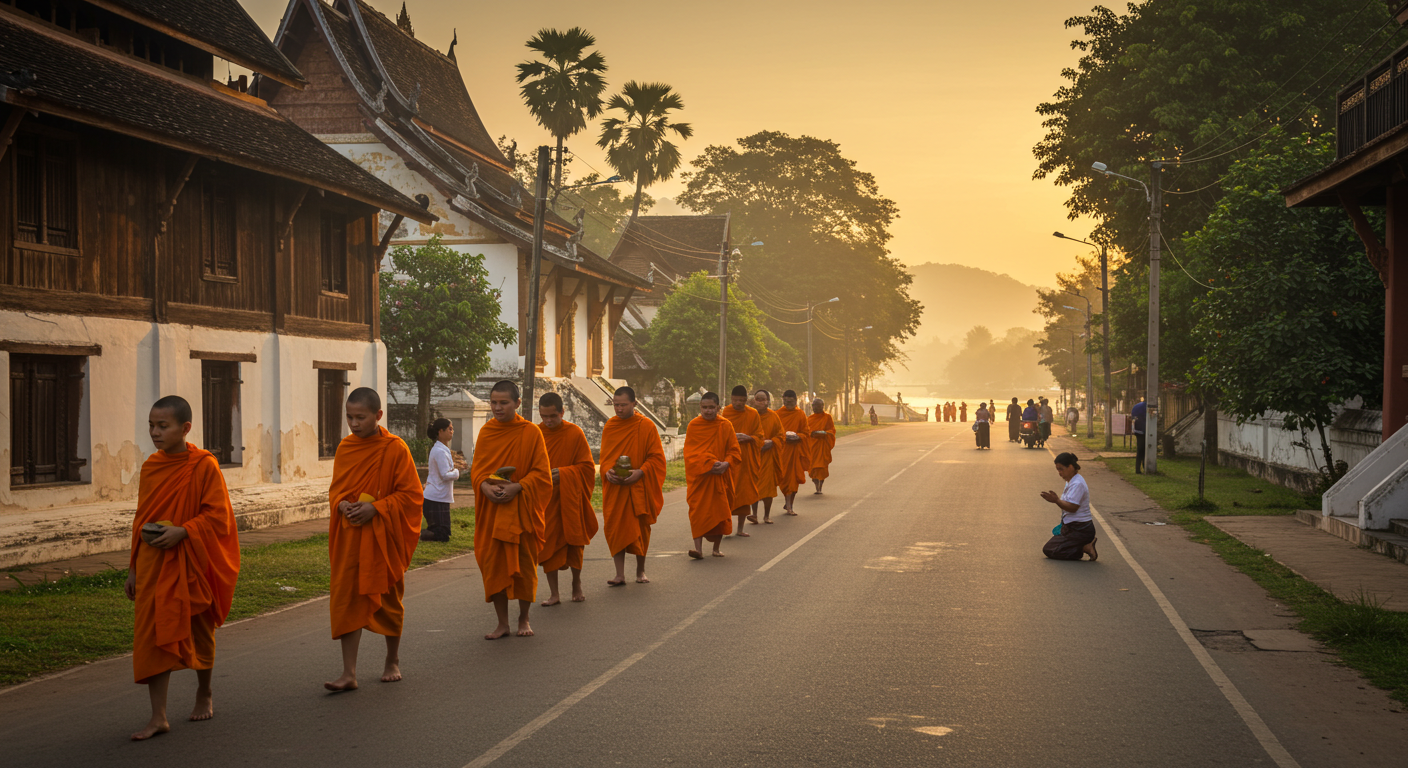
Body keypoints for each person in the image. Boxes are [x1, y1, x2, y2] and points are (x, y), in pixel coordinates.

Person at [126, 396, 240, 741]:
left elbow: (218, 516)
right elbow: (141, 519)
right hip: (153, 560)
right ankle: (158, 716)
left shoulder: (204, 466)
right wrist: (132, 568)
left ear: (185, 428)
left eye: (163, 426)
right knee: (153, 634)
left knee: (200, 629)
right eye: (151, 425)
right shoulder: (151, 467)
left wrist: (184, 531)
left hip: (192, 559)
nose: (155, 433)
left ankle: (204, 690)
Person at [324, 388, 424, 690]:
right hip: (351, 534)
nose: (354, 424)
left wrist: (376, 509)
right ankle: (348, 673)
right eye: (349, 417)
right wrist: (342, 504)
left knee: (389, 598)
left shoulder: (395, 449)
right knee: (347, 599)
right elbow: (336, 490)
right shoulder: (345, 448)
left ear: (378, 416)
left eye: (360, 417)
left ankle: (392, 659)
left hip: (383, 536)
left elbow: (411, 495)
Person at [471, 381, 552, 639]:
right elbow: (478, 471)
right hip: (492, 512)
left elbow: (542, 474)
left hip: (521, 510)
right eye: (493, 402)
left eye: (503, 403)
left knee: (525, 567)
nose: (497, 407)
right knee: (493, 565)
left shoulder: (530, 432)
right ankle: (502, 623)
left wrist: (518, 487)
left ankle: (524, 618)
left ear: (517, 403)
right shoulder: (486, 432)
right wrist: (483, 486)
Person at [536, 393, 597, 604]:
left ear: (562, 412)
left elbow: (588, 468)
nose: (548, 421)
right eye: (544, 416)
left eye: (553, 415)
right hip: (546, 500)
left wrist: (565, 473)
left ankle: (576, 583)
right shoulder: (535, 434)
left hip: (571, 498)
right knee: (547, 545)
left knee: (574, 542)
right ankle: (554, 593)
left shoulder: (574, 433)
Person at [600, 386, 666, 585]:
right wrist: (607, 472)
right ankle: (619, 574)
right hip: (616, 488)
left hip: (638, 486)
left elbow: (656, 458)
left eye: (623, 405)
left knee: (641, 529)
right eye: (616, 405)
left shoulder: (646, 426)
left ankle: (640, 571)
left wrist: (641, 472)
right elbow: (604, 459)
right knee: (615, 528)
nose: (618, 409)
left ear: (634, 404)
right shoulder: (610, 426)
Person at [685, 392, 741, 559]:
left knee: (720, 512)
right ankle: (698, 549)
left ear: (718, 408)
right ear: (700, 407)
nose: (708, 411)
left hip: (720, 476)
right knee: (697, 512)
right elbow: (689, 453)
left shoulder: (725, 425)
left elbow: (734, 451)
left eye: (711, 408)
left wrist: (726, 463)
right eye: (704, 407)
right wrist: (708, 464)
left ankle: (716, 548)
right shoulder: (694, 425)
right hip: (700, 478)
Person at [720, 385, 763, 537]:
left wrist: (749, 437)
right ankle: (726, 527)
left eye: (742, 400)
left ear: (747, 400)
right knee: (727, 492)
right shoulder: (725, 412)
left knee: (744, 493)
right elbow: (720, 433)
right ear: (731, 399)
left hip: (746, 459)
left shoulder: (753, 414)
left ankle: (740, 529)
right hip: (730, 458)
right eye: (736, 400)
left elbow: (760, 436)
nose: (738, 403)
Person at [1040, 452, 1098, 561]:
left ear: (1070, 467)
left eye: (1061, 469)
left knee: (1051, 550)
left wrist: (1056, 500)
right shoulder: (1070, 481)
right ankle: (1082, 546)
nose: (1059, 473)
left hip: (1081, 529)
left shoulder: (1078, 484)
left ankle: (1084, 546)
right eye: (1057, 469)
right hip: (1071, 528)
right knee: (1049, 548)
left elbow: (1072, 507)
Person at [421, 418, 463, 542]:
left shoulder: (442, 449)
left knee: (444, 533)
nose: (452, 431)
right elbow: (445, 475)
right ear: (441, 431)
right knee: (441, 535)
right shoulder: (439, 451)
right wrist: (457, 472)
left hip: (439, 496)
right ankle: (415, 534)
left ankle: (418, 533)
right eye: (450, 429)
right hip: (435, 497)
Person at [750, 389, 784, 524]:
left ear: (768, 402)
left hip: (768, 457)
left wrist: (772, 442)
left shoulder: (773, 416)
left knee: (768, 489)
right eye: (758, 399)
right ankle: (754, 515)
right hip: (753, 456)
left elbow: (781, 435)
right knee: (753, 486)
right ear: (754, 401)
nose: (760, 402)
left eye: (763, 399)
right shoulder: (750, 416)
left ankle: (766, 515)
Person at [776, 390, 810, 515]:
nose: (788, 403)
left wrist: (798, 437)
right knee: (784, 478)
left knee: (795, 478)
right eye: (786, 401)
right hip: (783, 451)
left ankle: (790, 504)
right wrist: (784, 437)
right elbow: (775, 432)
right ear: (783, 400)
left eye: (791, 401)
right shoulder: (778, 414)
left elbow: (806, 433)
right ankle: (788, 503)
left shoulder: (800, 414)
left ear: (796, 401)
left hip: (796, 451)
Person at [807, 398, 836, 494]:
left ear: (822, 406)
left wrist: (825, 433)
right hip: (812, 446)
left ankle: (820, 487)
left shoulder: (827, 417)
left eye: (818, 406)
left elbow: (832, 430)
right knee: (813, 468)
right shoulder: (810, 419)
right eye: (814, 405)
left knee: (822, 467)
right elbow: (806, 431)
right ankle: (816, 485)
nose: (816, 407)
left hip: (823, 445)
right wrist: (812, 433)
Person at [1132, 397, 1147, 474]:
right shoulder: (1147, 407)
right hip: (1144, 431)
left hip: (1137, 430)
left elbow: (1133, 417)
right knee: (1144, 450)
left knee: (1139, 450)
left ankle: (1138, 468)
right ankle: (1145, 467)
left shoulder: (1136, 406)